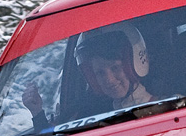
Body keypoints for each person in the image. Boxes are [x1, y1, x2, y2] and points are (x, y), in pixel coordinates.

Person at [23, 23, 155, 128]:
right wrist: (37, 113)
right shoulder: (87, 115)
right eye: (99, 73)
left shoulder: (167, 108)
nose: (109, 79)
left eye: (115, 68)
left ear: (134, 63)